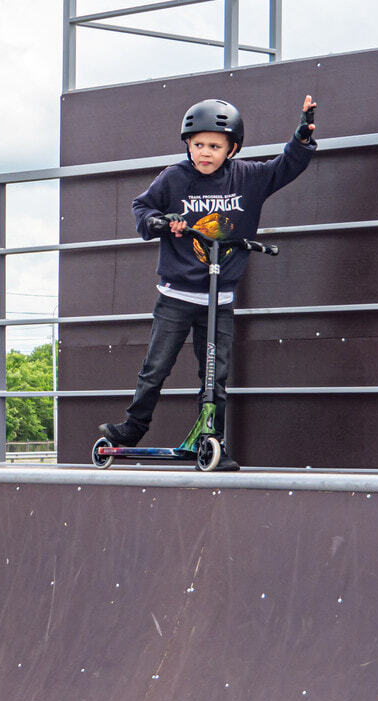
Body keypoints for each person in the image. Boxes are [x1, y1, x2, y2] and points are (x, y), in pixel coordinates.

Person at [98, 95, 317, 471]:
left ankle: (211, 438)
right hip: (177, 296)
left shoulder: (247, 178)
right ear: (188, 145)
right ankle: (133, 428)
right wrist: (157, 223)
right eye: (198, 145)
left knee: (215, 373)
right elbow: (142, 207)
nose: (205, 152)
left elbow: (285, 167)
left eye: (214, 146)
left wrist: (301, 139)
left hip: (220, 297)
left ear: (232, 148)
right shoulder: (174, 178)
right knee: (156, 367)